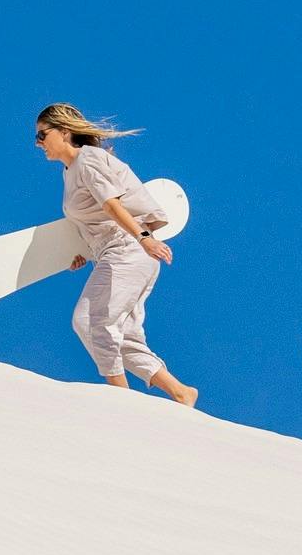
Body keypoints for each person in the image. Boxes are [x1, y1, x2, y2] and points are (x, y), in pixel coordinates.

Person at [36, 104, 200, 407]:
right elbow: (98, 219)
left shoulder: (87, 160)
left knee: (91, 321)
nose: (38, 142)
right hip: (119, 253)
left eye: (42, 134)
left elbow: (112, 204)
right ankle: (180, 392)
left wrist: (145, 238)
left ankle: (123, 404)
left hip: (130, 250)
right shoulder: (70, 172)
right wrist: (85, 252)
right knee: (121, 335)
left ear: (64, 132)